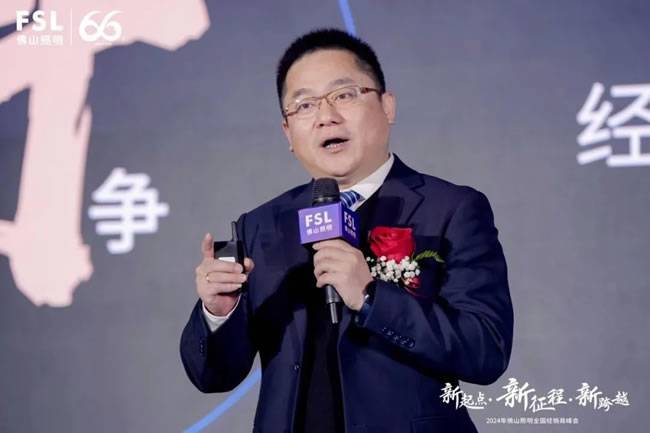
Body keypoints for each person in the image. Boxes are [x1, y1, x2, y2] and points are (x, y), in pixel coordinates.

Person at [180, 28, 513, 433]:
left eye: (344, 94)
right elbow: (214, 376)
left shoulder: (452, 209)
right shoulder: (261, 225)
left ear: (387, 106)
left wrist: (371, 297)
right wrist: (219, 312)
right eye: (304, 105)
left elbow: (486, 349)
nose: (326, 116)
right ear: (288, 133)